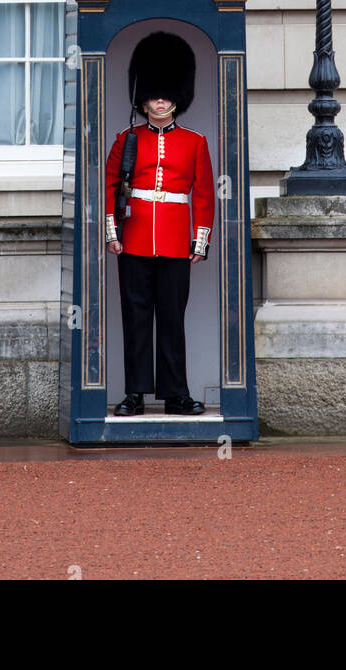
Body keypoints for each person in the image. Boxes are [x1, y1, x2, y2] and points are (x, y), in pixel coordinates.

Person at [105, 31, 215, 417]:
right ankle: (135, 393)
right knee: (135, 320)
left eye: (167, 94)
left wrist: (199, 241)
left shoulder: (194, 142)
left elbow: (202, 195)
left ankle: (174, 394)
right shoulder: (126, 139)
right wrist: (111, 233)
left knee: (172, 320)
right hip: (133, 240)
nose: (161, 100)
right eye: (154, 94)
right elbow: (111, 187)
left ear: (177, 97)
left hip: (174, 242)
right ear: (144, 98)